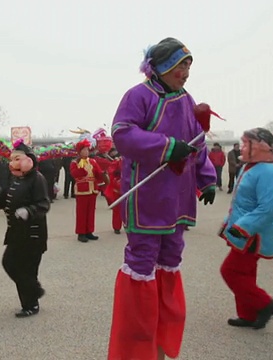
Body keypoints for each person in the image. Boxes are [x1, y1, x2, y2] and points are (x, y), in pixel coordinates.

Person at [108, 37, 217, 360]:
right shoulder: (138, 96)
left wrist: (207, 178)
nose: (185, 72)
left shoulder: (187, 100)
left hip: (179, 197)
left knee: (171, 261)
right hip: (146, 196)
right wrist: (167, 146)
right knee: (142, 262)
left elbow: (197, 142)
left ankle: (162, 342)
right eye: (180, 65)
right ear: (161, 66)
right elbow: (122, 133)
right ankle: (135, 350)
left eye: (188, 65)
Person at [218, 128, 273, 329]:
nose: (243, 147)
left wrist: (243, 227)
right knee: (245, 273)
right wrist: (228, 223)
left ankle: (265, 304)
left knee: (230, 271)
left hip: (253, 234)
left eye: (247, 143)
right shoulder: (252, 167)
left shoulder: (268, 172)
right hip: (244, 231)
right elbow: (242, 202)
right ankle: (248, 315)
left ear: (259, 147)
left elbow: (269, 209)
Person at [0, 140, 50, 318]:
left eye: (17, 159)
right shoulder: (15, 179)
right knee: (10, 263)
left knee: (27, 269)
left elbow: (43, 204)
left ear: (29, 160)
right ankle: (33, 293)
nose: (13, 163)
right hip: (16, 234)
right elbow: (1, 199)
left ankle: (30, 304)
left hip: (33, 234)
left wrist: (29, 211)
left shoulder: (37, 179)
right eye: (12, 160)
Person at [70, 139, 105, 243]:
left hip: (92, 190)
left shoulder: (93, 161)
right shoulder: (75, 162)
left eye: (87, 150)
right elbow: (75, 174)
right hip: (82, 190)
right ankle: (81, 233)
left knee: (91, 212)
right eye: (84, 150)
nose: (86, 152)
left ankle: (89, 231)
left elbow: (98, 173)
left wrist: (103, 174)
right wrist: (81, 168)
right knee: (81, 213)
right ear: (79, 151)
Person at [104, 157, 123, 234]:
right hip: (118, 186)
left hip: (130, 186)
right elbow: (110, 171)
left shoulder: (135, 160)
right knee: (117, 209)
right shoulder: (118, 161)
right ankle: (117, 227)